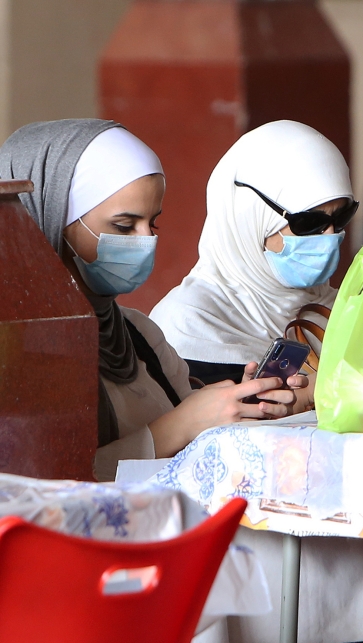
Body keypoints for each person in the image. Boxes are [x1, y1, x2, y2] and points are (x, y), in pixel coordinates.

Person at [0, 119, 304, 481]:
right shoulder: (16, 351)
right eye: (124, 227)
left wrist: (241, 405)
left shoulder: (136, 334)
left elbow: (192, 424)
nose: (146, 241)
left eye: (153, 224)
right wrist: (177, 428)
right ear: (46, 219)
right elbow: (36, 484)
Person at [150, 120, 356, 389]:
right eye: (308, 223)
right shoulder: (188, 325)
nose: (330, 236)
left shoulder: (344, 311)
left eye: (341, 218)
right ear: (250, 218)